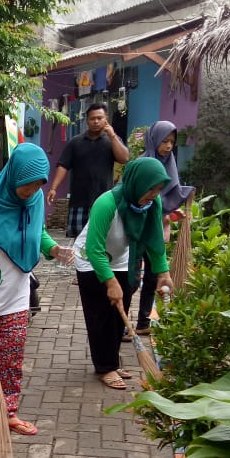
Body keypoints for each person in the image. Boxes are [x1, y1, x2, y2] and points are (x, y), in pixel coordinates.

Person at [0, 142, 74, 434]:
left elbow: (37, 230)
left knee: (10, 355)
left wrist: (53, 249)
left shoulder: (32, 200)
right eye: (26, 186)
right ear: (14, 176)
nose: (31, 192)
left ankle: (7, 410)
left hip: (16, 293)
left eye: (37, 187)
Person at [74, 158, 174, 389]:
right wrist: (109, 281)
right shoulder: (106, 203)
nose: (154, 194)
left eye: (158, 189)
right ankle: (104, 367)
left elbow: (155, 240)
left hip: (121, 258)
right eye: (151, 188)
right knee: (100, 314)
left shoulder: (151, 203)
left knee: (120, 311)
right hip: (90, 259)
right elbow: (94, 248)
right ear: (138, 183)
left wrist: (163, 273)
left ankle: (112, 361)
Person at [131, 121, 195, 335]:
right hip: (137, 229)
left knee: (152, 277)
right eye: (164, 141)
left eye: (171, 142)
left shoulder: (170, 165)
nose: (168, 146)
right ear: (154, 139)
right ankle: (119, 323)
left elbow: (166, 203)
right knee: (130, 278)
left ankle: (143, 322)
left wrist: (174, 214)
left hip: (157, 231)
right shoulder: (141, 165)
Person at [47, 103, 130, 239]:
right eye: (92, 118)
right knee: (78, 242)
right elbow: (63, 165)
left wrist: (113, 136)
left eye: (99, 118)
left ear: (106, 119)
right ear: (87, 120)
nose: (96, 121)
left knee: (104, 241)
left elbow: (124, 158)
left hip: (104, 202)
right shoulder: (75, 142)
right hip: (79, 202)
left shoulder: (111, 141)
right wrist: (53, 188)